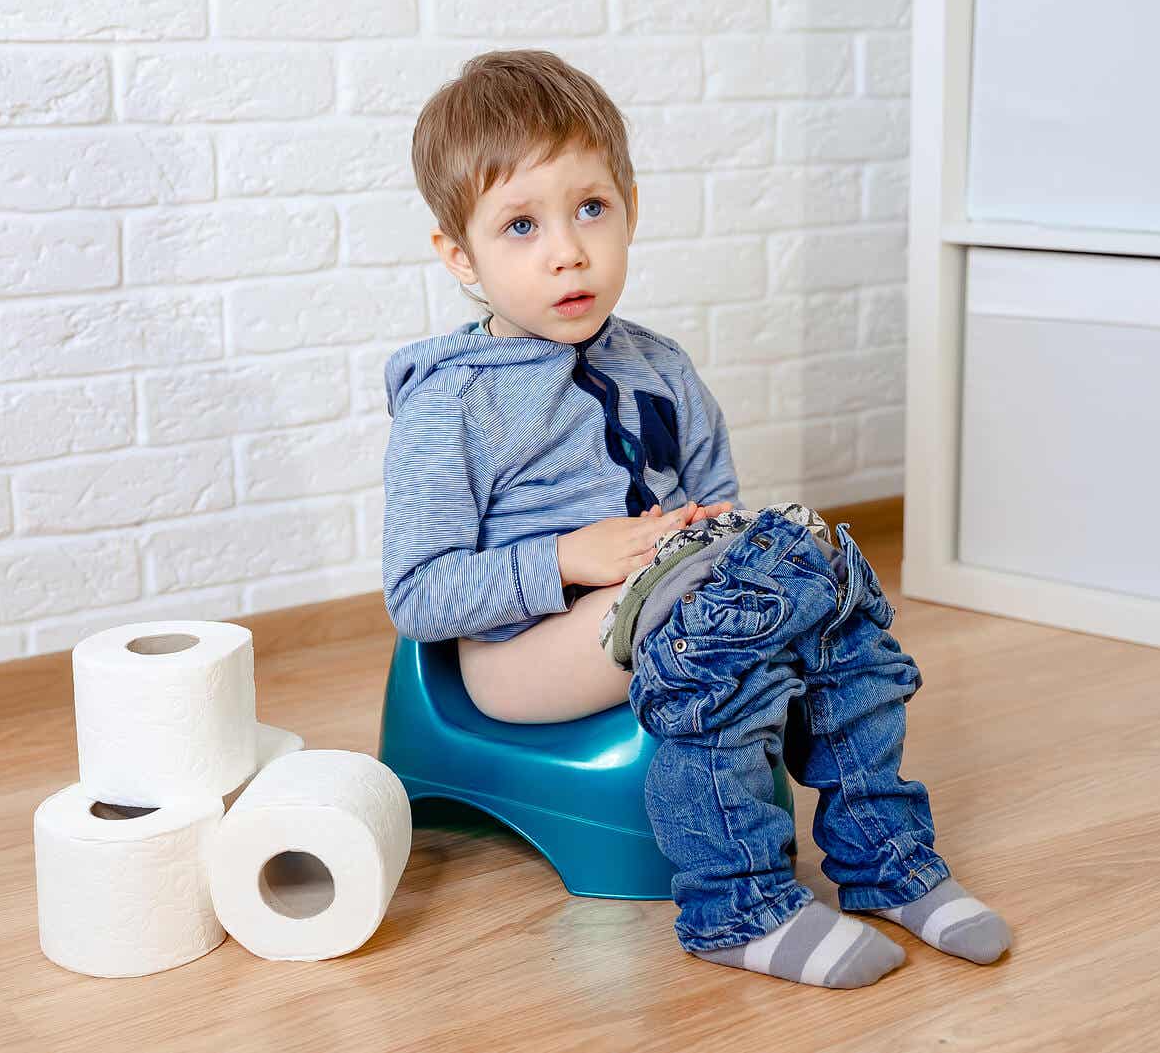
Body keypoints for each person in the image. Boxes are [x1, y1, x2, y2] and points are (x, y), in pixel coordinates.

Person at [382, 49, 1009, 988]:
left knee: (829, 585)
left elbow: (725, 513)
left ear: (630, 203)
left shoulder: (662, 365)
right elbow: (418, 592)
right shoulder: (454, 405)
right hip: (524, 650)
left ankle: (885, 859)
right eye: (521, 225)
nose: (568, 250)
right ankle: (739, 904)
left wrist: (758, 556)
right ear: (459, 256)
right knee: (717, 619)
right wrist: (568, 556)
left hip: (666, 601)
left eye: (591, 208)